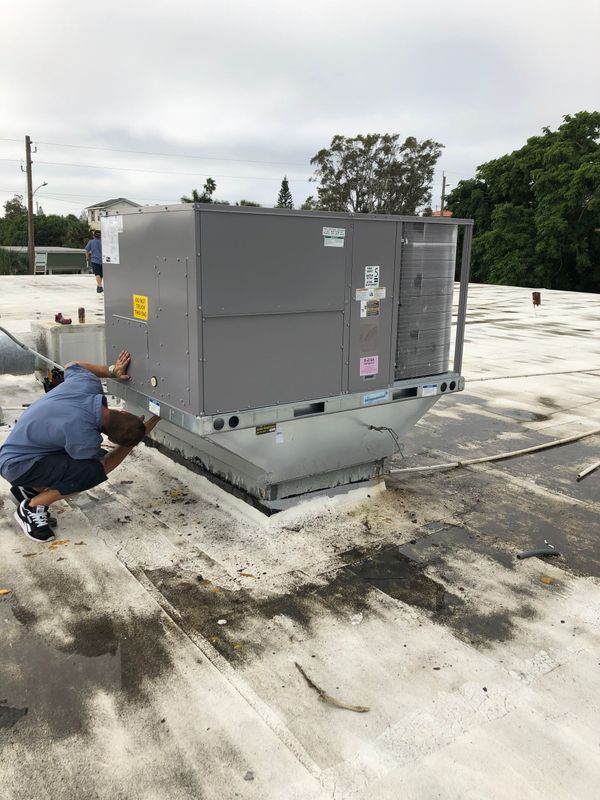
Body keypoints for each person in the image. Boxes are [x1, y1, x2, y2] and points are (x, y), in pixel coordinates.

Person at [0, 350, 160, 543]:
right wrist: (133, 442)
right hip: (18, 466)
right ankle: (33, 506)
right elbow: (102, 467)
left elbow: (72, 365)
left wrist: (112, 371)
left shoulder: (87, 385)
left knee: (73, 460)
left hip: (15, 452)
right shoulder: (83, 437)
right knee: (89, 472)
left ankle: (30, 489)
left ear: (124, 413)